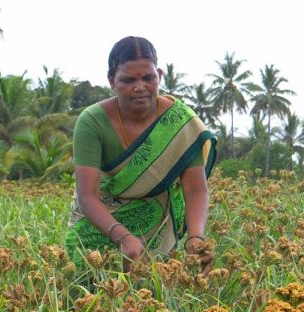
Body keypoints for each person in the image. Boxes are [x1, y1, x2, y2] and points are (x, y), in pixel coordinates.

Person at [65, 36, 216, 273]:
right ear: (111, 81)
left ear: (160, 76)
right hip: (100, 220)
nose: (139, 87)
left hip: (157, 226)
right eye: (128, 80)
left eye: (148, 78)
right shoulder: (92, 122)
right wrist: (123, 237)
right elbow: (88, 196)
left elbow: (196, 188)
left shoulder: (180, 122)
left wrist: (196, 238)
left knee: (157, 293)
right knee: (85, 289)